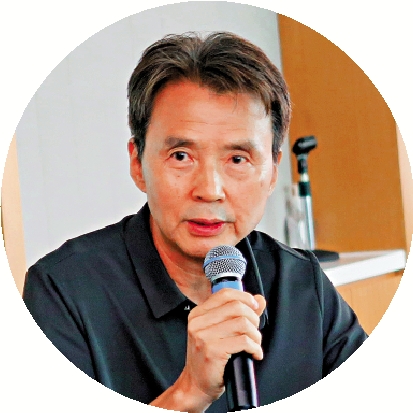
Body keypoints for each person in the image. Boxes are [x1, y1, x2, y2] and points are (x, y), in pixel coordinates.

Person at [23, 32, 367, 412]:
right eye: (181, 156)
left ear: (272, 172)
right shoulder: (62, 292)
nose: (210, 190)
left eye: (237, 159)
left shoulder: (302, 283)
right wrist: (189, 393)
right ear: (137, 163)